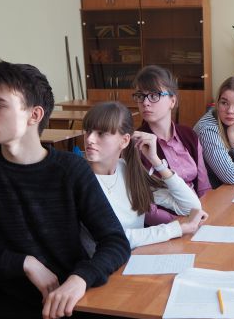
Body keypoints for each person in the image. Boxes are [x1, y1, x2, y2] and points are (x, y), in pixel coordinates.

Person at [0, 60, 131, 319]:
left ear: (34, 115)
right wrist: (24, 263)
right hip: (15, 317)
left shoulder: (71, 169)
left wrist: (81, 278)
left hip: (81, 306)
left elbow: (115, 241)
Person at [83, 101, 208, 250]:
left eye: (101, 133)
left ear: (124, 140)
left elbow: (191, 206)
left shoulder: (127, 171)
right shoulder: (80, 178)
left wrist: (156, 162)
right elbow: (114, 238)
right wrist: (177, 229)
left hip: (138, 256)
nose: (89, 139)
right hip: (107, 261)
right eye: (88, 131)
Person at [133, 65, 211, 226]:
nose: (145, 102)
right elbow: (143, 205)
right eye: (140, 96)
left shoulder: (189, 135)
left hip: (199, 215)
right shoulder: (137, 143)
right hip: (166, 226)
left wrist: (205, 214)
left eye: (154, 95)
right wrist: (180, 224)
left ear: (172, 101)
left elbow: (204, 187)